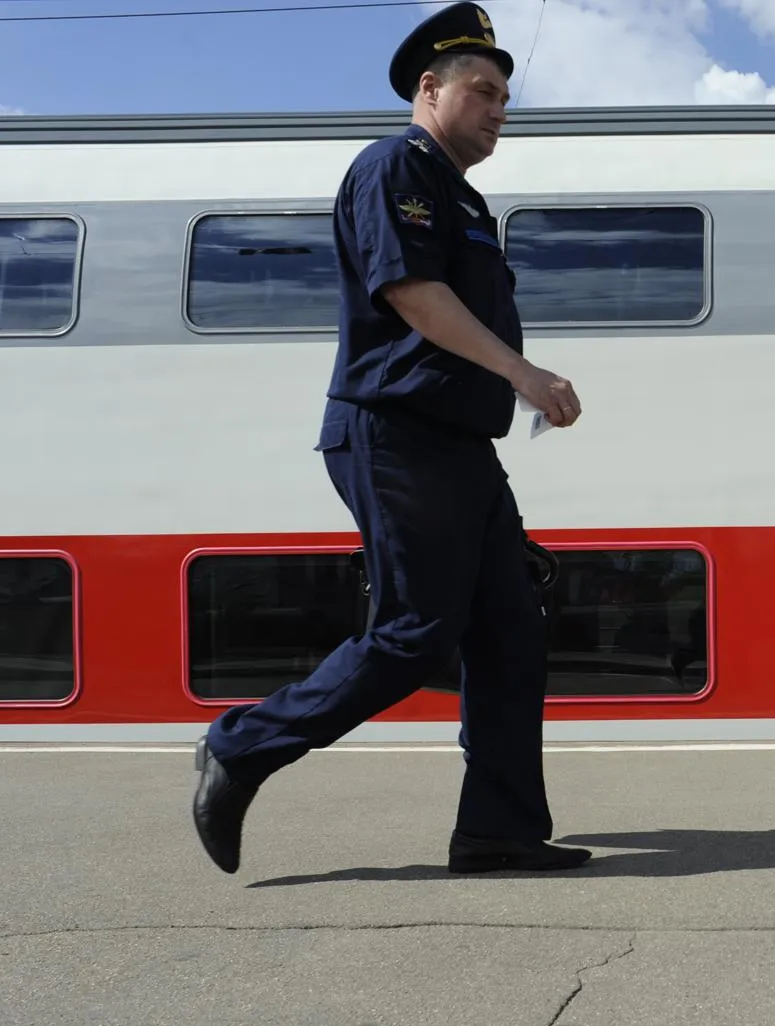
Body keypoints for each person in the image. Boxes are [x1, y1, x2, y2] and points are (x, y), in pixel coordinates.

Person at [191, 2, 591, 875]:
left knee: (510, 630)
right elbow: (412, 294)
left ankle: (500, 828)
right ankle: (241, 747)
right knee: (416, 630)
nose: (498, 110)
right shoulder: (394, 167)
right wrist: (524, 374)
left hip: (458, 448)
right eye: (482, 91)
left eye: (504, 99)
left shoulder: (462, 195)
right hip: (398, 433)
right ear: (429, 88)